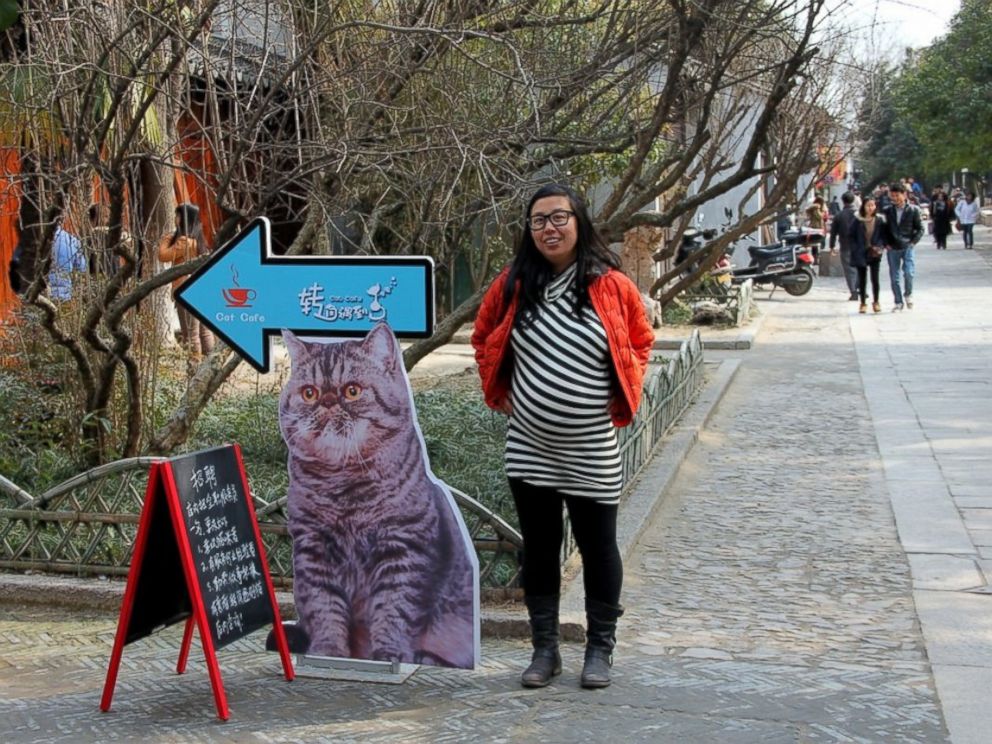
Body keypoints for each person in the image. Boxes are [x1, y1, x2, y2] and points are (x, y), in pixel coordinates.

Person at [471, 183, 654, 690]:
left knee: (599, 547)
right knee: (540, 546)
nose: (549, 228)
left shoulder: (611, 285)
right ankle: (544, 649)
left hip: (592, 443)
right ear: (528, 232)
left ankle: (599, 649)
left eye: (558, 217)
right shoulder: (512, 283)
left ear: (578, 222)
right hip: (529, 446)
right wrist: (499, 387)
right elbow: (483, 335)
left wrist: (625, 391)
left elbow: (640, 341)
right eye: (538, 221)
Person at [158, 203, 214, 363]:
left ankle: (194, 370)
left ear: (183, 218)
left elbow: (162, 255)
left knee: (191, 333)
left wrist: (167, 238)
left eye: (177, 215)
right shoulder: (199, 240)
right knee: (205, 331)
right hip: (202, 289)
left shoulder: (183, 241)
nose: (175, 219)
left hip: (186, 289)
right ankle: (212, 366)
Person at [882, 182, 924, 311]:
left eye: (897, 195)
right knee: (894, 277)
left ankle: (908, 294)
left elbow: (920, 228)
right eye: (892, 196)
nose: (894, 198)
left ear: (904, 195)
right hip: (892, 247)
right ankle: (898, 302)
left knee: (908, 273)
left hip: (907, 246)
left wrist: (913, 242)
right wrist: (886, 244)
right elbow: (882, 229)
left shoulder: (913, 210)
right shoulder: (887, 211)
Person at [850, 196, 887, 313]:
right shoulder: (857, 220)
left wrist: (879, 245)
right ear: (863, 207)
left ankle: (876, 302)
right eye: (868, 205)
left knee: (875, 278)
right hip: (861, 252)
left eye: (872, 205)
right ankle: (863, 303)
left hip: (875, 252)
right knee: (862, 279)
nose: (870, 208)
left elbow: (883, 235)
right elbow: (851, 235)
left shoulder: (880, 220)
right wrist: (855, 248)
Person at [828, 192, 860, 300]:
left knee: (849, 269)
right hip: (859, 246)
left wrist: (832, 246)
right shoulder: (860, 214)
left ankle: (854, 291)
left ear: (843, 201)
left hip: (845, 246)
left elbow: (833, 233)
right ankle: (861, 289)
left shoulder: (839, 215)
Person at [48, 213, 86, 301]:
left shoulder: (40, 242)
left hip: (46, 295)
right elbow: (82, 268)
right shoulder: (71, 240)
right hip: (66, 293)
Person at [804, 196, 828, 263]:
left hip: (816, 228)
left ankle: (816, 258)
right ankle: (817, 258)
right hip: (817, 228)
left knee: (816, 244)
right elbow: (820, 217)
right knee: (818, 243)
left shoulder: (815, 208)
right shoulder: (816, 208)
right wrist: (822, 211)